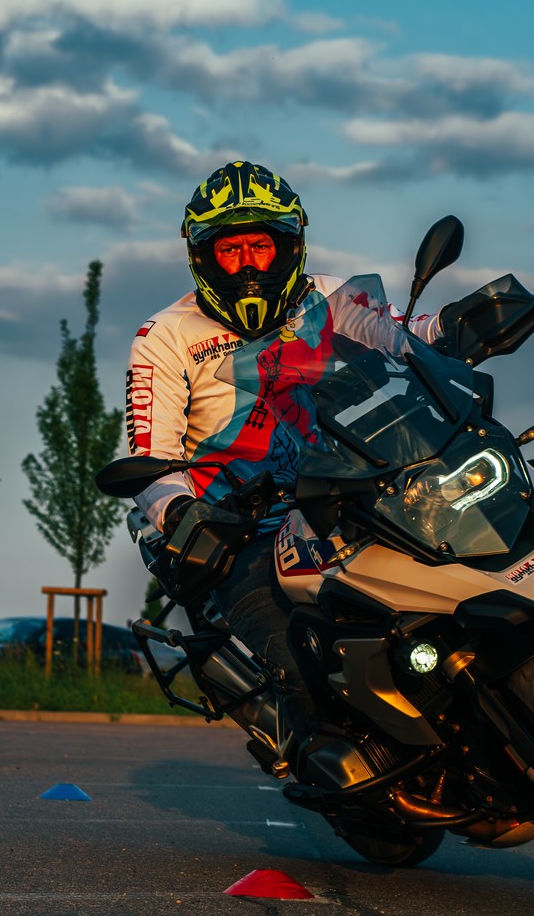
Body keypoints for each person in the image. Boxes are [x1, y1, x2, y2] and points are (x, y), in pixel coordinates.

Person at [125, 160, 447, 779]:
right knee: (290, 642)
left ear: (290, 246)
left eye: (261, 246)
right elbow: (150, 454)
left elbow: (400, 333)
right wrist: (181, 511)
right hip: (237, 526)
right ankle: (343, 759)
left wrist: (461, 324)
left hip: (345, 492)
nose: (247, 264)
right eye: (231, 250)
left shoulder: (327, 297)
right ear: (202, 257)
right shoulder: (165, 335)